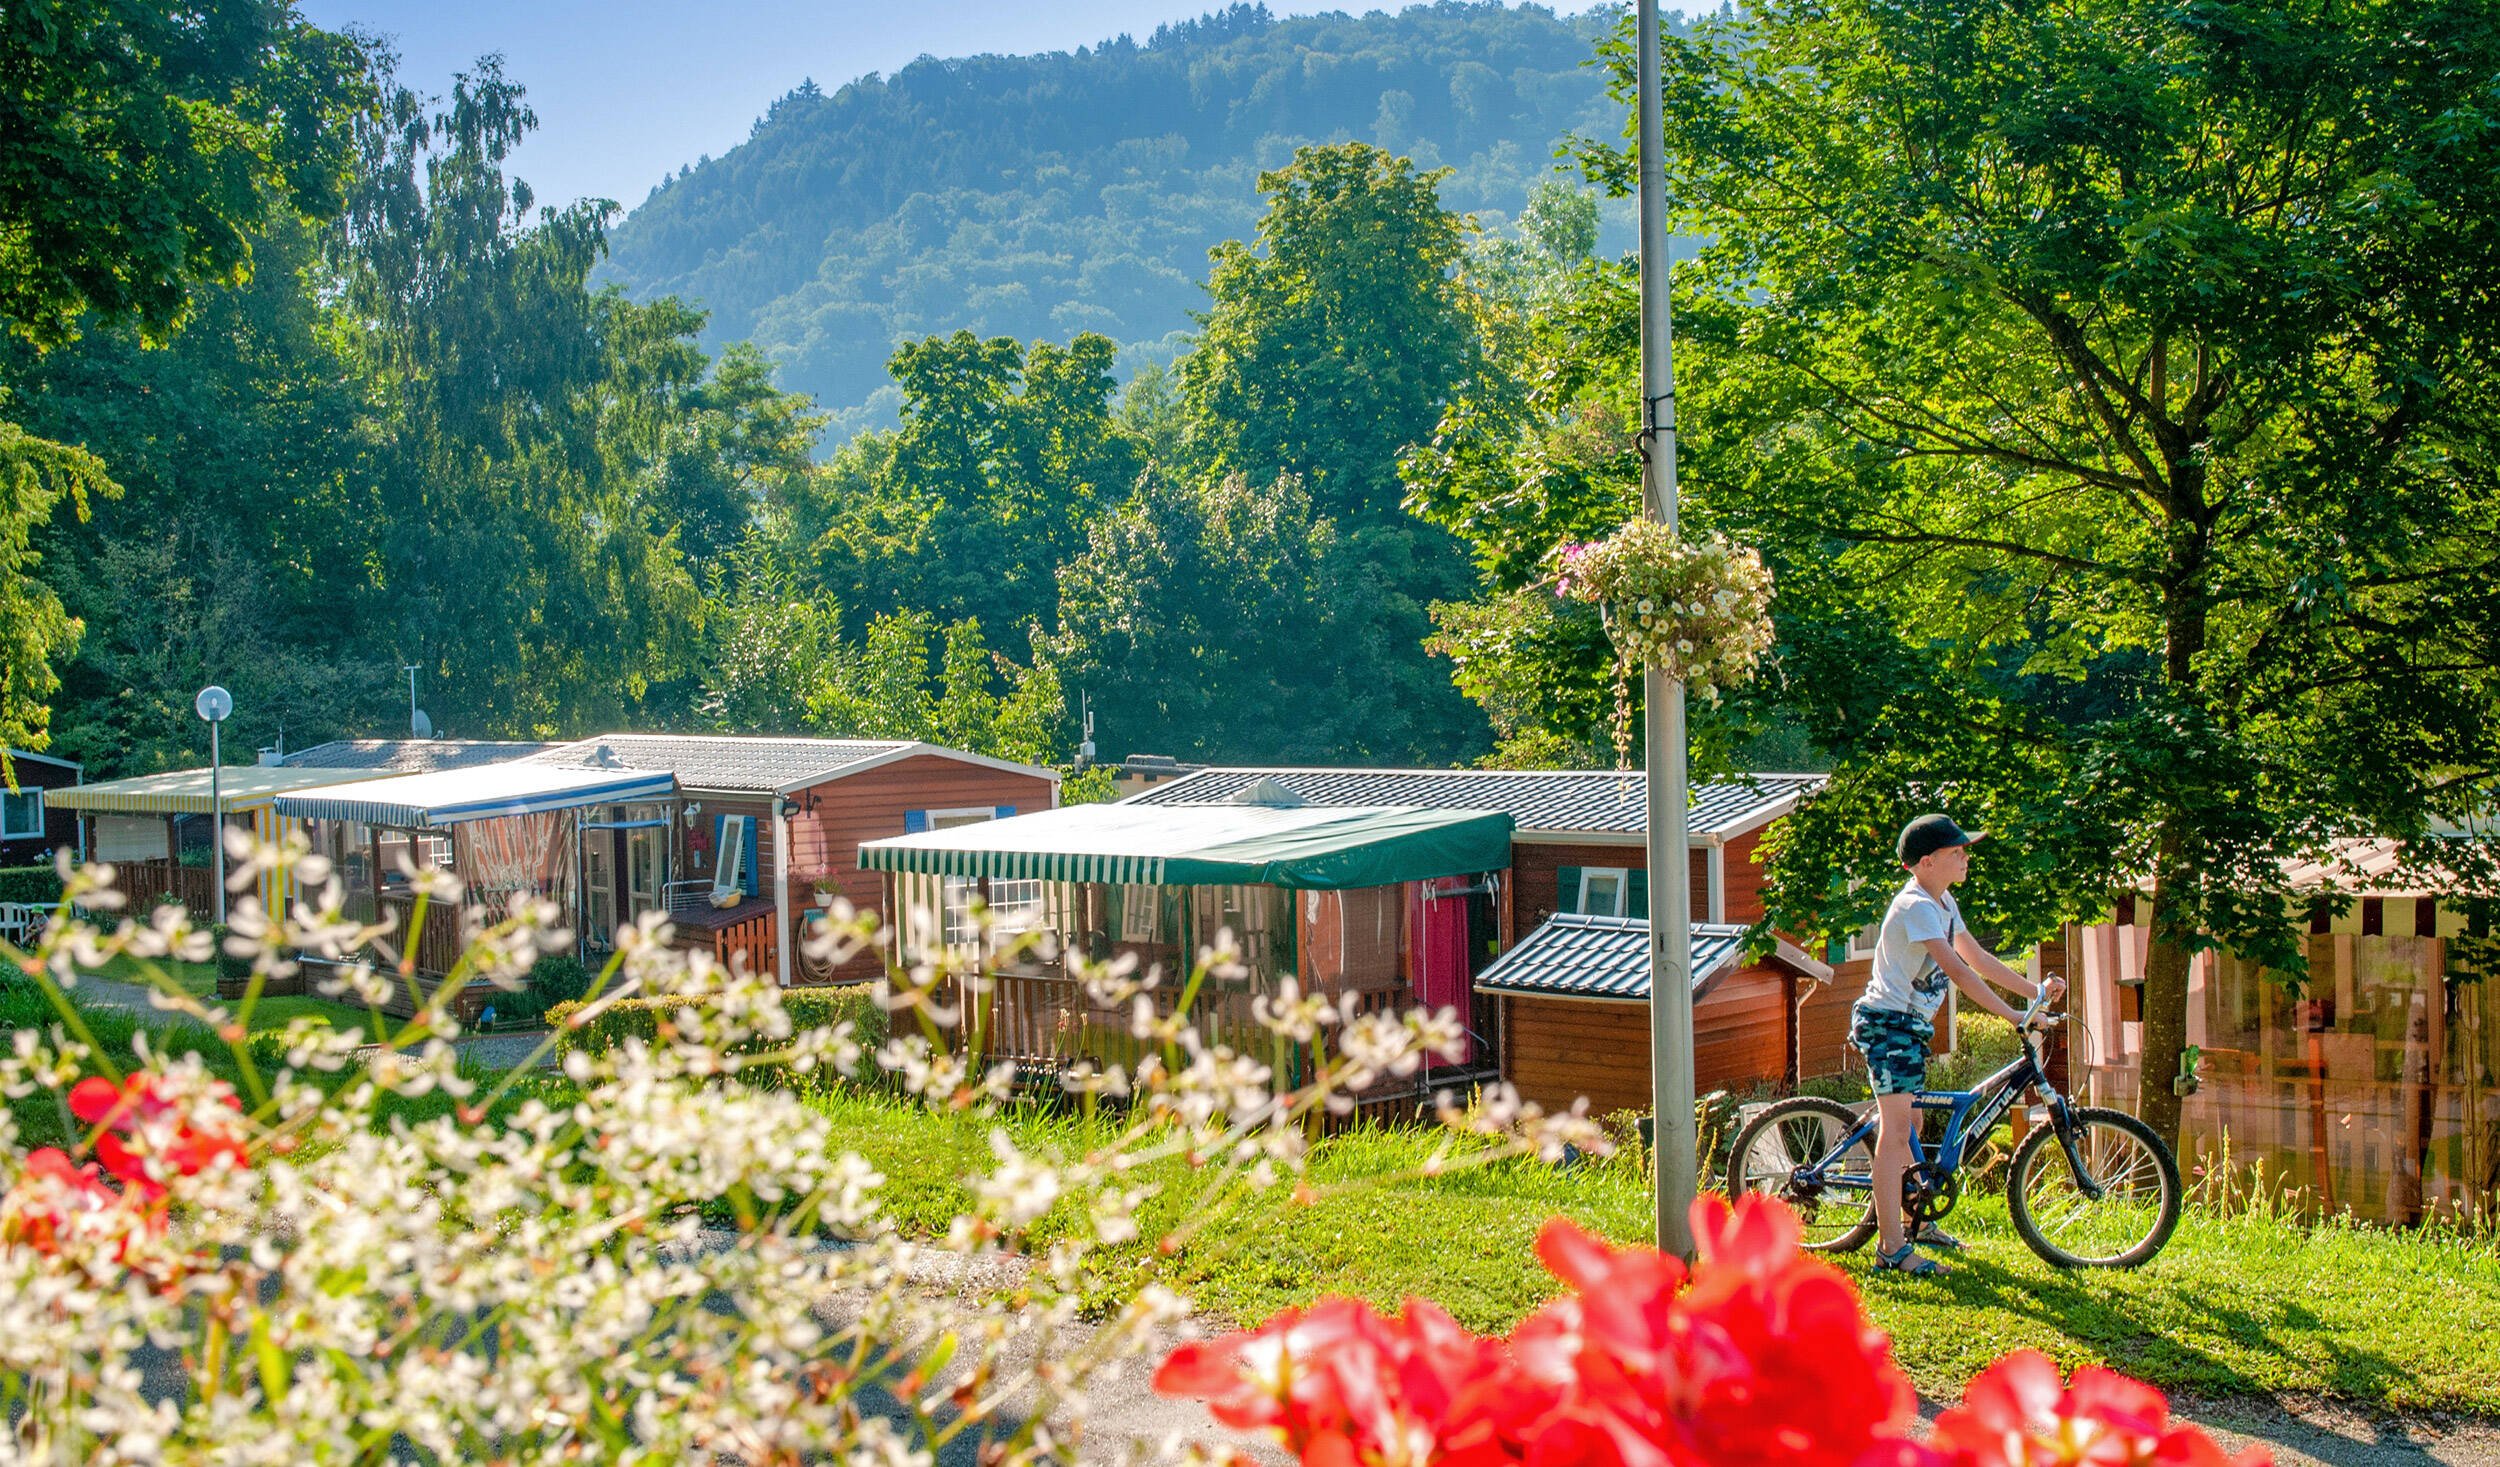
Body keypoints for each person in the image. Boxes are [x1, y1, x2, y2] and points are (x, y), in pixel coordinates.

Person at [1853, 814, 2063, 1275]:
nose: (1967, 857)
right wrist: (2012, 1015)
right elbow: (1959, 971)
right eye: (1957, 852)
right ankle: (1891, 1250)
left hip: (1910, 1027)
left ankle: (1917, 1219)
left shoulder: (1943, 900)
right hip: (1887, 1024)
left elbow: (1978, 957)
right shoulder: (1917, 907)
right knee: (1894, 1134)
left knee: (1913, 1119)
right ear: (1926, 862)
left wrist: (2035, 994)